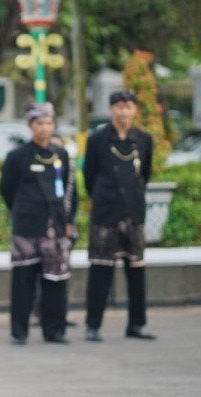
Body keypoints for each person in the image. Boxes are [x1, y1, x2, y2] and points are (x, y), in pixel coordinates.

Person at [0, 102, 75, 345]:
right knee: (23, 280)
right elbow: (6, 189)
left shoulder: (61, 155)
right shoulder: (17, 156)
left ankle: (54, 330)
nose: (44, 128)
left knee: (55, 281)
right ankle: (19, 331)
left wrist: (68, 220)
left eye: (49, 123)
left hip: (56, 228)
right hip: (27, 228)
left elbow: (70, 191)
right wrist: (23, 211)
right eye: (39, 123)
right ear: (30, 126)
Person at [84, 90, 155, 342]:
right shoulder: (98, 139)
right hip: (106, 213)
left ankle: (137, 324)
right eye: (118, 107)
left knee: (136, 272)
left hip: (133, 213)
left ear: (134, 110)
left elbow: (145, 175)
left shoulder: (143, 140)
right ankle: (93, 325)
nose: (123, 112)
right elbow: (89, 177)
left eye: (128, 107)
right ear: (111, 109)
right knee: (100, 271)